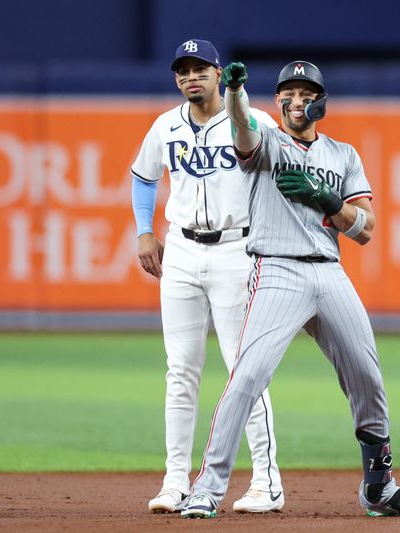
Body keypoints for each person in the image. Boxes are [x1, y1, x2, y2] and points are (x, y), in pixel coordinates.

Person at [180, 60, 400, 519]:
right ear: (276, 101)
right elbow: (241, 131)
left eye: (305, 93)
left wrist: (329, 200)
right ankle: (207, 488)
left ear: (320, 102)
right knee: (247, 377)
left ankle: (379, 487)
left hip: (329, 271)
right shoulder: (266, 141)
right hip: (277, 268)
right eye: (287, 93)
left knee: (367, 377)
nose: (295, 101)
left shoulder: (343, 155)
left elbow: (365, 230)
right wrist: (236, 91)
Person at [130, 39, 284, 514]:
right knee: (180, 371)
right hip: (179, 249)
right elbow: (143, 175)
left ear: (220, 74)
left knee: (244, 368)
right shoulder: (165, 125)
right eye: (183, 71)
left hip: (237, 249)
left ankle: (266, 481)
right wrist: (144, 231)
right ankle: (176, 480)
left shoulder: (253, 121)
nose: (191, 77)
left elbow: (282, 171)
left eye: (200, 69)